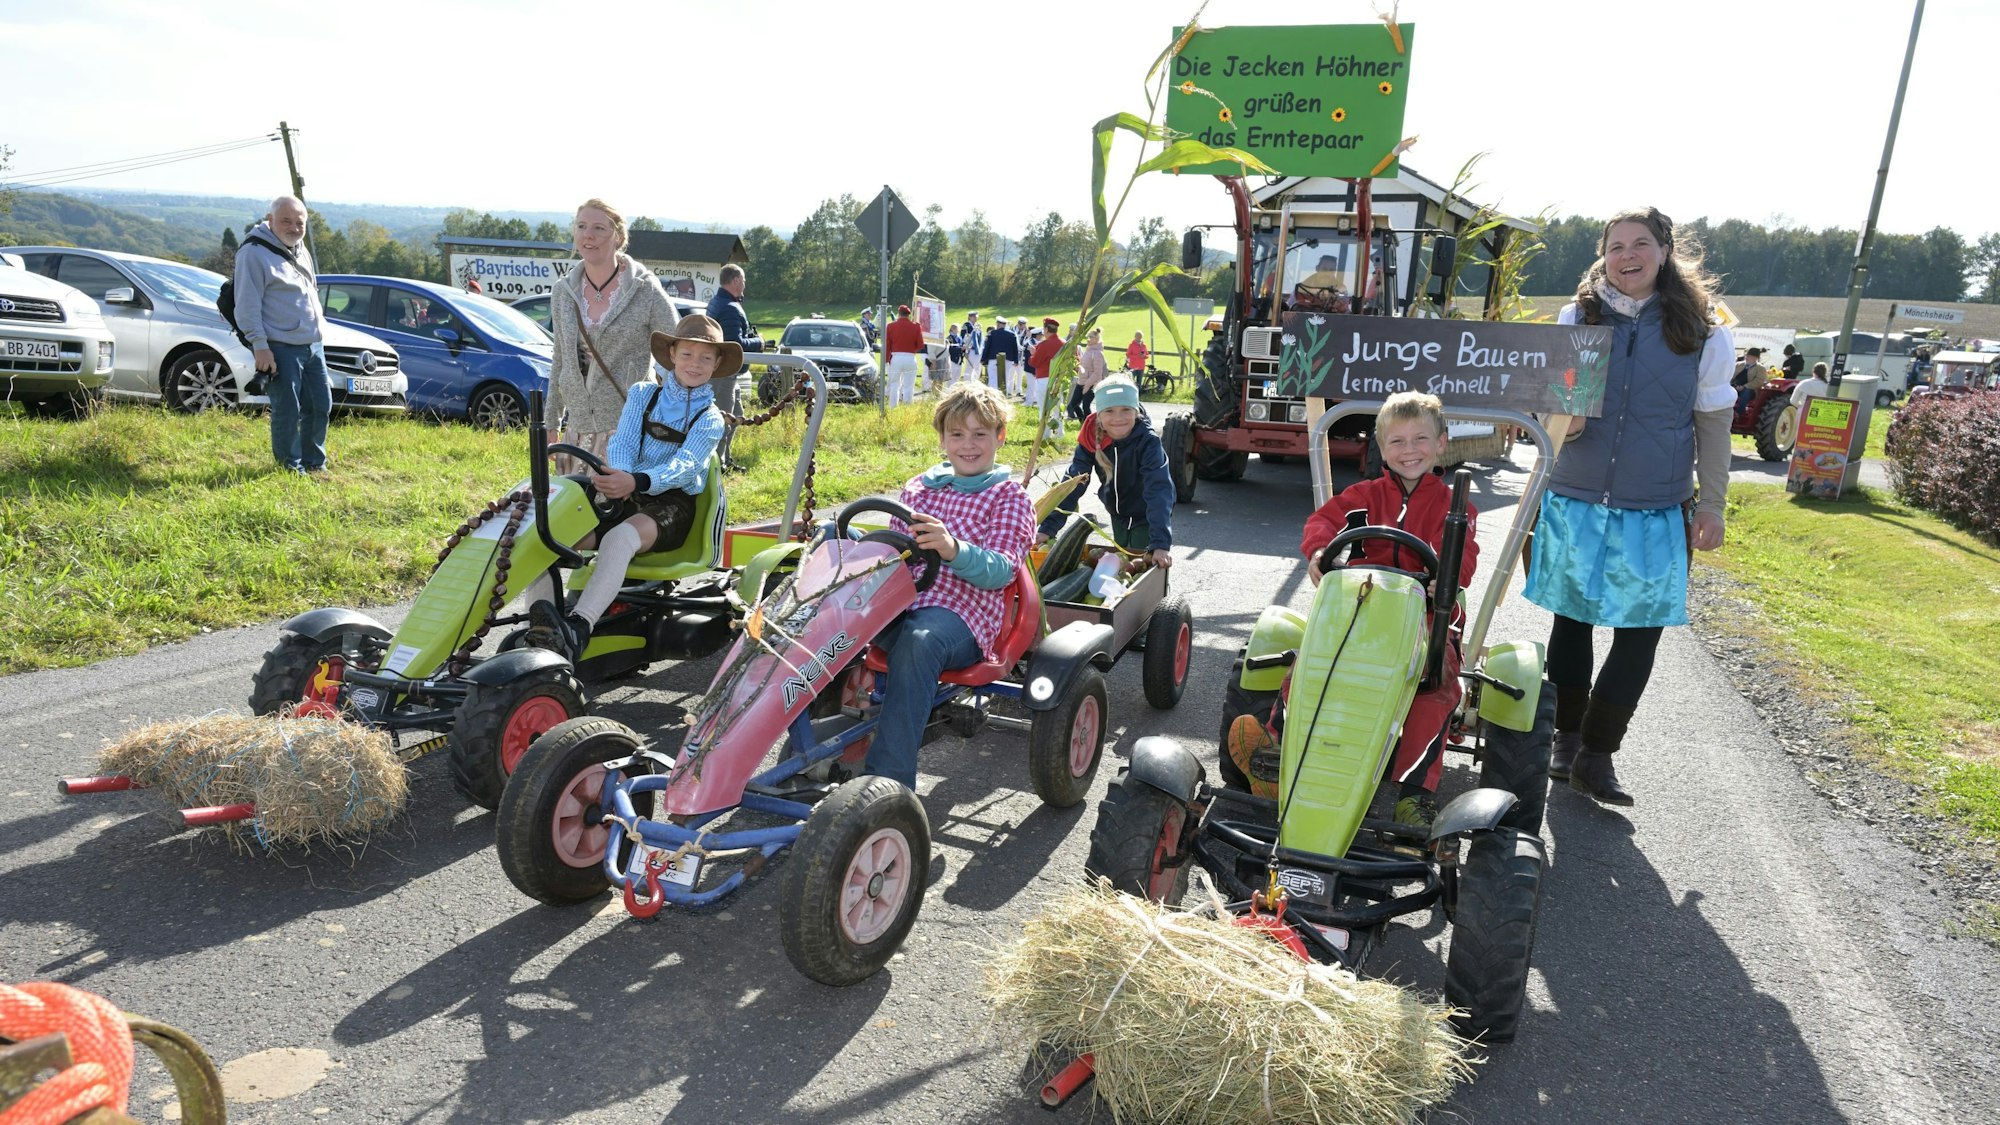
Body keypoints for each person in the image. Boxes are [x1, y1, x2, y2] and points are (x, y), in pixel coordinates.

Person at [1525, 206, 1734, 806]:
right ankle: (1564, 740)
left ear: (1664, 252)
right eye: (1616, 246)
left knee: (1641, 632)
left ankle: (1598, 753)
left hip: (1656, 504)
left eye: (1640, 244)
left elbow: (1714, 427)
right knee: (1572, 619)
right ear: (1603, 255)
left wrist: (1712, 505)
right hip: (1577, 495)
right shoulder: (1578, 317)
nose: (1627, 255)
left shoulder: (1703, 330)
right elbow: (1551, 412)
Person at [1249, 391, 1481, 826]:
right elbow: (1321, 523)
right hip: (1362, 607)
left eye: (1420, 439)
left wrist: (1443, 580)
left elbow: (1463, 554)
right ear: (1381, 448)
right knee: (1310, 666)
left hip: (1428, 617)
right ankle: (1277, 752)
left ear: (1441, 442)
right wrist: (1319, 552)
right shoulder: (1364, 494)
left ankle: (1415, 793)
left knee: (1437, 690)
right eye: (1397, 442)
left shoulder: (1456, 507)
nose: (1409, 450)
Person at [520, 315, 731, 659]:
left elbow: (686, 466)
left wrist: (638, 481)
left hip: (671, 506)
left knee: (619, 538)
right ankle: (543, 627)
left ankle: (578, 627)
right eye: (688, 354)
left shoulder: (709, 418)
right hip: (627, 492)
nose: (696, 364)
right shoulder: (643, 394)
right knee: (546, 538)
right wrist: (621, 477)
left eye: (706, 357)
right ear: (672, 353)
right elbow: (624, 442)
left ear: (717, 363)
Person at [862, 382, 1036, 790]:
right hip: (904, 603)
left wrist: (954, 549)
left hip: (964, 617)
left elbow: (1002, 570)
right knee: (826, 620)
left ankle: (888, 785)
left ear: (1000, 437)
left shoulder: (1008, 496)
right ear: (942, 439)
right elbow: (893, 553)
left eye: (980, 434)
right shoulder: (919, 488)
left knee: (919, 641)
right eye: (957, 434)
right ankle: (809, 743)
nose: (968, 444)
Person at [547, 199, 681, 472]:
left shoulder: (644, 288)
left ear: (618, 237)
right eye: (582, 226)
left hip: (628, 429)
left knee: (620, 512)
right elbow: (560, 359)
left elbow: (678, 350)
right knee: (576, 511)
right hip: (578, 432)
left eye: (599, 228)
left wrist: (676, 412)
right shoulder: (563, 291)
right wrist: (551, 423)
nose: (588, 235)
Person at [1035, 374, 1174, 569]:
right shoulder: (1092, 438)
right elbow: (1073, 483)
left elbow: (1158, 489)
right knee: (1123, 562)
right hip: (1117, 513)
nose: (1118, 418)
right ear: (1099, 414)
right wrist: (1049, 527)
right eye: (1109, 411)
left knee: (1140, 566)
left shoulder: (1148, 443)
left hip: (1147, 515)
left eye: (1126, 409)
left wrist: (1160, 544)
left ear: (1136, 411)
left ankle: (1151, 596)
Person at [234, 195, 330, 475]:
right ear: (271, 219)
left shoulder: (301, 250)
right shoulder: (253, 253)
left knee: (320, 405)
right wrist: (260, 346)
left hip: (313, 344)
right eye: (286, 221)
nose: (294, 227)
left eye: (299, 222)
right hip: (280, 346)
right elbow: (247, 305)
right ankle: (290, 468)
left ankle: (315, 464)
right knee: (288, 410)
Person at [706, 264, 753, 466]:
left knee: (737, 416)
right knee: (723, 420)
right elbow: (735, 345)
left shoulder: (717, 302)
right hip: (724, 372)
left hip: (724, 372)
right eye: (742, 280)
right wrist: (759, 343)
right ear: (735, 281)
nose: (744, 284)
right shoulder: (730, 308)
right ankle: (715, 465)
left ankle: (724, 459)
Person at [884, 304, 925, 407]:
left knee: (894, 385)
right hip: (910, 357)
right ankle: (907, 407)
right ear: (909, 315)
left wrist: (886, 360)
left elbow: (887, 345)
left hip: (896, 357)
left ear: (899, 314)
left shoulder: (890, 326)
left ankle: (893, 407)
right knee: (909, 386)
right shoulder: (916, 326)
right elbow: (920, 345)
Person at [1025, 316, 1063, 420]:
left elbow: (1034, 363)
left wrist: (1033, 354)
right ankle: (1059, 433)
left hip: (1044, 379)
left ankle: (1046, 433)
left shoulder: (1044, 344)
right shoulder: (1064, 343)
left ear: (1046, 329)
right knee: (1058, 408)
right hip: (1059, 379)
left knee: (1044, 408)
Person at [1070, 326, 1108, 422]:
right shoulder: (1088, 350)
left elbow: (1097, 373)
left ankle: (1090, 426)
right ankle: (1083, 423)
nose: (1088, 339)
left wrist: (1087, 386)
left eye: (1091, 337)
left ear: (1096, 339)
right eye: (1088, 336)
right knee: (1073, 404)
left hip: (1091, 384)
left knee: (1086, 407)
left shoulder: (1098, 353)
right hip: (1081, 382)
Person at [983, 316, 1020, 394]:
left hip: (993, 358)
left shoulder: (992, 333)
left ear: (998, 324)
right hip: (1008, 359)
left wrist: (984, 359)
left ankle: (993, 395)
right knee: (1005, 378)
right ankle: (1003, 394)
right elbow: (1015, 348)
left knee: (993, 378)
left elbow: (987, 347)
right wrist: (1016, 360)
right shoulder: (1012, 334)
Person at [1733, 347, 1767, 411]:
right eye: (1746, 355)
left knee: (1746, 392)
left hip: (1749, 389)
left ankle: (1739, 413)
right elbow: (1730, 375)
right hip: (1735, 385)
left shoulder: (1761, 368)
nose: (1747, 357)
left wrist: (1744, 386)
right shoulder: (1738, 365)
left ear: (1756, 358)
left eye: (1749, 356)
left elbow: (1758, 381)